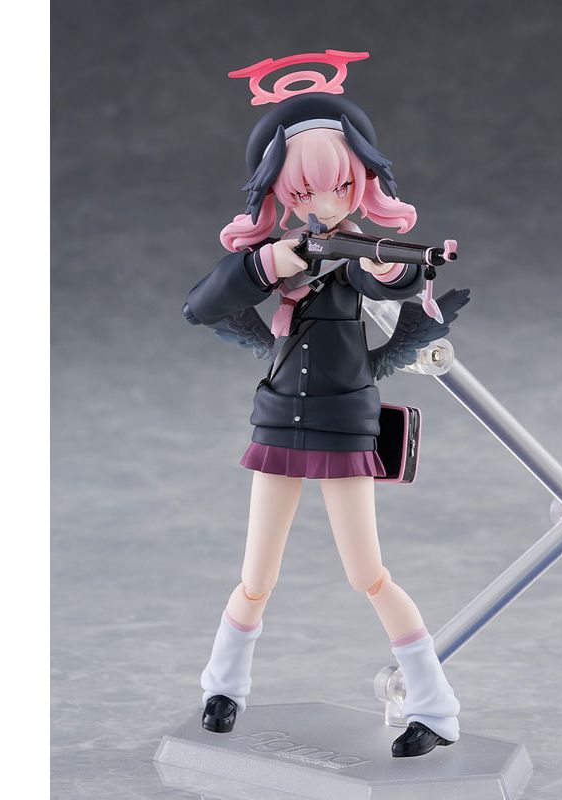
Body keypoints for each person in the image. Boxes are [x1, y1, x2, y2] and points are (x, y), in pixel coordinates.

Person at [183, 71, 460, 758]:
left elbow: (388, 276)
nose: (323, 204)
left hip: (343, 425)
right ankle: (223, 687)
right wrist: (267, 264)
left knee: (368, 573)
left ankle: (435, 708)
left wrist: (396, 268)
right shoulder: (278, 258)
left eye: (338, 186)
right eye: (303, 192)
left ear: (359, 183)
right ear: (280, 193)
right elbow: (201, 306)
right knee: (257, 576)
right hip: (279, 420)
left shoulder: (353, 252)